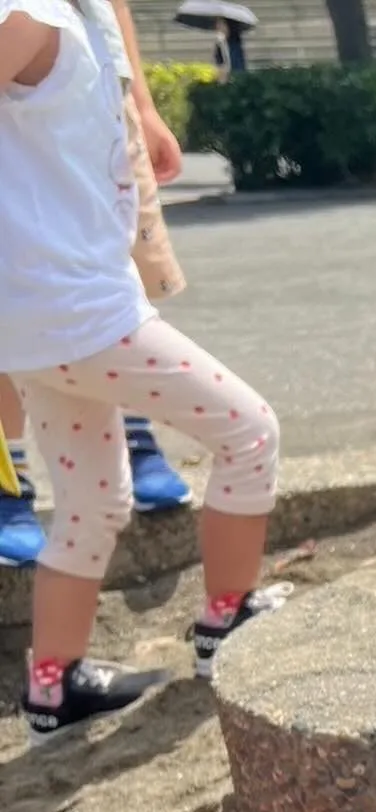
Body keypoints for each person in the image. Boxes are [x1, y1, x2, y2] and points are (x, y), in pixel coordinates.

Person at [1, 0, 283, 743]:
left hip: (44, 317)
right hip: (77, 312)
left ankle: (53, 686)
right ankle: (229, 619)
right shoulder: (30, 16)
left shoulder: (75, 11)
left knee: (94, 501)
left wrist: (142, 118)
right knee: (250, 433)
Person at [0, 0, 192, 570]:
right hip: (24, 107)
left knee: (118, 268)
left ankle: (134, 432)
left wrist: (142, 104)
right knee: (17, 295)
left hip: (100, 98)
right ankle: (12, 481)